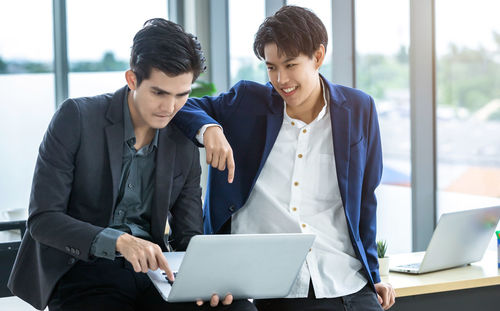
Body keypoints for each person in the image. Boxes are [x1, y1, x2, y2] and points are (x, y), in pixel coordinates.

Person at [8, 18, 255, 311]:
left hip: (155, 274)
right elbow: (43, 219)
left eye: (182, 95)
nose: (170, 108)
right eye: (159, 93)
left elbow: (187, 235)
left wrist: (210, 279)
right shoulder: (76, 118)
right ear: (132, 79)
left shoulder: (182, 139)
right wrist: (119, 242)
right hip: (84, 271)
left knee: (239, 308)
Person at [173, 5, 396, 311]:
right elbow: (179, 104)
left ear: (318, 57)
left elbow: (365, 202)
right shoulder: (247, 103)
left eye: (290, 65)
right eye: (271, 67)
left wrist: (373, 275)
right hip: (272, 285)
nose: (281, 79)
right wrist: (209, 128)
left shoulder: (359, 109)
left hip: (345, 280)